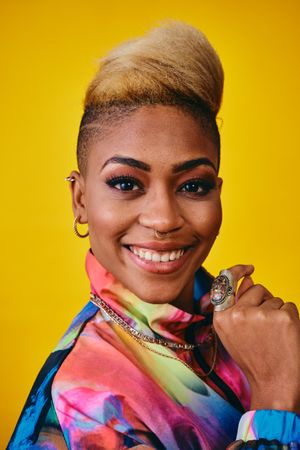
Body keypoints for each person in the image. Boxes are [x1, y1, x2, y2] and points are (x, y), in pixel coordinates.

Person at [8, 20, 300, 449]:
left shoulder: (243, 330)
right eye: (126, 183)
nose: (163, 218)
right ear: (80, 200)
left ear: (217, 193)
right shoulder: (87, 402)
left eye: (193, 185)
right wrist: (275, 399)